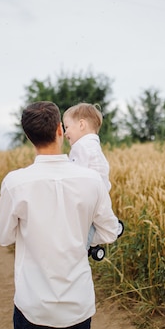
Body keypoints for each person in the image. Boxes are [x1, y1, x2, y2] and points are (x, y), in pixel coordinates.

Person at [0, 101, 120, 329]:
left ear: (29, 137)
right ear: (60, 131)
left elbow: (3, 237)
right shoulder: (92, 180)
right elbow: (109, 232)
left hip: (33, 304)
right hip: (77, 302)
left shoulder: (15, 183)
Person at [62, 103, 124, 261]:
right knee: (89, 232)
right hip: (97, 200)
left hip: (88, 202)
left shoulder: (81, 147)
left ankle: (83, 254)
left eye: (67, 126)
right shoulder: (93, 147)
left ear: (81, 124)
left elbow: (76, 175)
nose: (65, 132)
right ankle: (111, 231)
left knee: (80, 241)